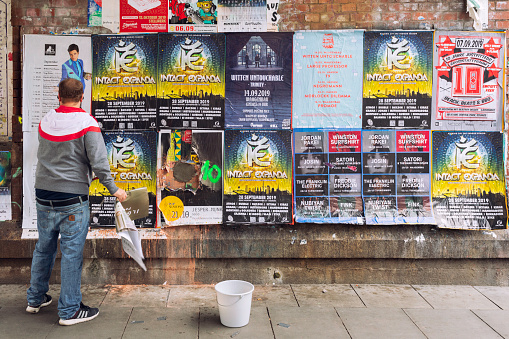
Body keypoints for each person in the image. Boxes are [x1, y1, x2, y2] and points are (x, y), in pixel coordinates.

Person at [26, 78, 127, 326]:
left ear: (58, 96)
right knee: (71, 254)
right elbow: (100, 164)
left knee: (44, 247)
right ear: (82, 97)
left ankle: (35, 299)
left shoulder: (46, 121)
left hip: (43, 196)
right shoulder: (87, 124)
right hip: (72, 199)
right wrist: (115, 190)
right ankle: (70, 310)